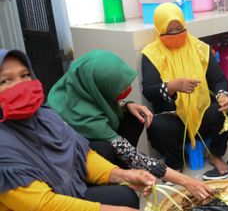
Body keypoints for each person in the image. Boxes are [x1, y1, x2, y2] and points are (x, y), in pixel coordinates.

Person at [0, 49, 155, 211]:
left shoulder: (45, 116)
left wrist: (125, 175)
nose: (20, 85)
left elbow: (81, 156)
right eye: (5, 81)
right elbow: (41, 204)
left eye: (25, 75)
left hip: (62, 187)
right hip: (39, 205)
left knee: (123, 195)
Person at [46, 50, 213, 200]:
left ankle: (121, 169)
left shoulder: (75, 87)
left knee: (134, 116)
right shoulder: (85, 119)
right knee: (104, 149)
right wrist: (186, 181)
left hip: (94, 139)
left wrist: (126, 105)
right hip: (75, 170)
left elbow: (97, 105)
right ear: (97, 86)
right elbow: (135, 157)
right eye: (120, 86)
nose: (126, 88)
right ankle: (108, 183)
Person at [141, 3, 228, 180]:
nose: (176, 34)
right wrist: (172, 86)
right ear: (159, 29)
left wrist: (223, 94)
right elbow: (149, 90)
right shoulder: (151, 54)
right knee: (156, 125)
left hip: (202, 114)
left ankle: (215, 154)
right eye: (169, 30)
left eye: (179, 28)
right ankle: (174, 164)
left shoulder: (200, 48)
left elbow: (219, 79)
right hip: (175, 118)